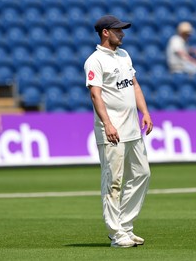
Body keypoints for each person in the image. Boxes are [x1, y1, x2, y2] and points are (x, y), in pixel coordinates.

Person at [84, 15, 153, 248]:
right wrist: (108, 124)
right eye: (118, 30)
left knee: (142, 174)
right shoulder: (95, 60)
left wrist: (145, 111)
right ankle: (116, 234)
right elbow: (95, 94)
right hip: (112, 132)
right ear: (105, 32)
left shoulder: (124, 55)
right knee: (113, 182)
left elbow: (134, 84)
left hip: (133, 129)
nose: (122, 34)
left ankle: (125, 225)